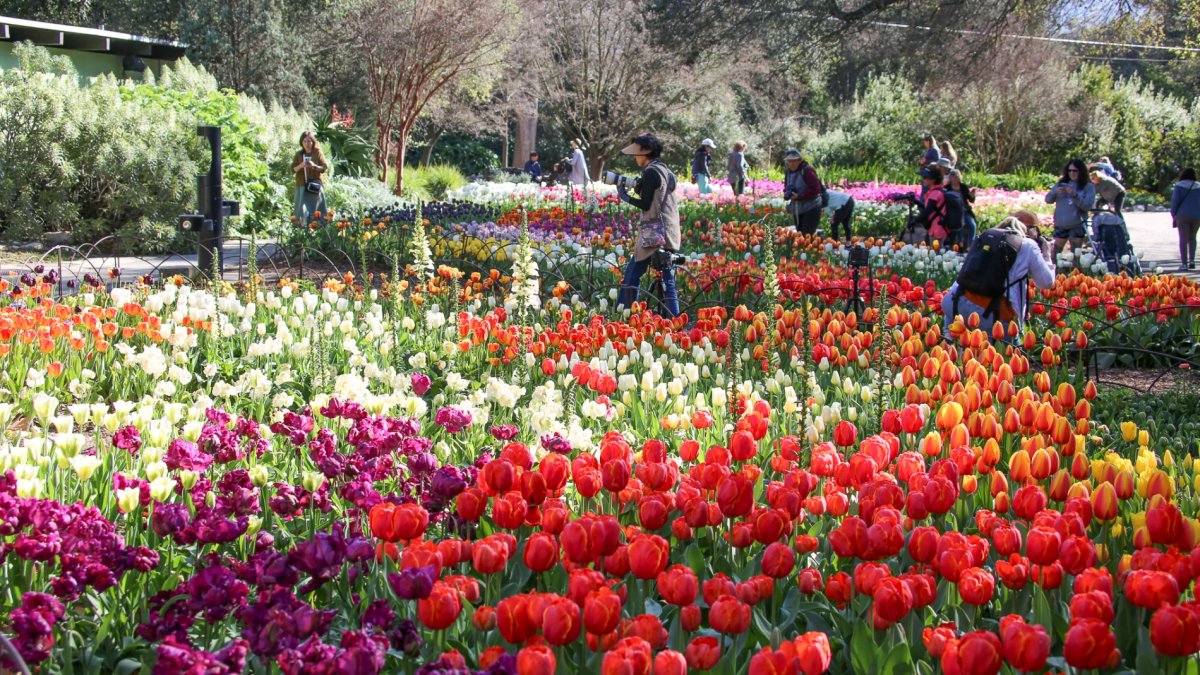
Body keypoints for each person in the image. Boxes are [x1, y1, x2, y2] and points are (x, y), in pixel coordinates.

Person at [941, 215, 1055, 336]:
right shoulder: (1028, 245)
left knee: (953, 349)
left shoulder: (986, 236)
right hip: (991, 313)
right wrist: (1047, 254)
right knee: (1010, 352)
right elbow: (1046, 282)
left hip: (954, 301)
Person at [615, 133, 681, 317]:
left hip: (654, 232)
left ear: (647, 153)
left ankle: (623, 315)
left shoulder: (651, 171)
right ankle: (674, 322)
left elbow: (645, 204)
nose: (635, 157)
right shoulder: (664, 170)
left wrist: (625, 196)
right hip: (669, 230)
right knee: (668, 280)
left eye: (637, 153)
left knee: (632, 275)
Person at [1045, 159, 1096, 256]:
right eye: (1069, 171)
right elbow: (1048, 200)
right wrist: (1055, 192)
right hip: (1061, 224)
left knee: (1076, 255)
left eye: (1075, 171)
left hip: (1077, 224)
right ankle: (1057, 271)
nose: (1072, 173)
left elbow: (1086, 206)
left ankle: (1076, 270)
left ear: (1080, 171)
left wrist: (1074, 195)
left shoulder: (1088, 187)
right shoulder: (1061, 183)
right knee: (1055, 254)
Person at [292, 131, 329, 226]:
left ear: (313, 142)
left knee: (317, 209)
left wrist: (314, 166)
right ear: (301, 143)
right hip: (302, 185)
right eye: (304, 141)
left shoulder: (317, 153)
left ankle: (320, 229)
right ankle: (300, 229)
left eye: (309, 141)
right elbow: (293, 169)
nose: (307, 144)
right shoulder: (299, 155)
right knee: (301, 209)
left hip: (315, 186)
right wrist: (301, 165)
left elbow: (324, 167)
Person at [782, 148, 823, 235]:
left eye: (794, 161)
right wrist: (787, 193)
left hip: (812, 206)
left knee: (807, 234)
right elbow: (786, 187)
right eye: (789, 161)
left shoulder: (807, 171)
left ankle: (811, 247)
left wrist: (800, 195)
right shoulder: (788, 172)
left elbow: (816, 189)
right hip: (798, 208)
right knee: (800, 234)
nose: (792, 163)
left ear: (799, 160)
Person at [1171, 167, 1200, 271]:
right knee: (1193, 238)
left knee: (1183, 238)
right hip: (1197, 215)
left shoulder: (1179, 186)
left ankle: (1184, 263)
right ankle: (1192, 260)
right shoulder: (1198, 186)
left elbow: (1175, 201)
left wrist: (1173, 213)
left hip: (1182, 215)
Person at [912, 167, 949, 246]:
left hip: (938, 229)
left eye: (925, 177)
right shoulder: (935, 191)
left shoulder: (935, 193)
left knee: (936, 254)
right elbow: (930, 207)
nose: (923, 179)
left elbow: (928, 211)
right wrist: (916, 201)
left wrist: (914, 221)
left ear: (933, 180)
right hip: (935, 227)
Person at [946, 170, 977, 250]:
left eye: (956, 177)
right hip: (953, 212)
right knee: (959, 224)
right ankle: (961, 242)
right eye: (953, 177)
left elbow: (971, 200)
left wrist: (973, 194)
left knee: (972, 224)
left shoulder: (963, 187)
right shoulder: (947, 188)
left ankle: (970, 245)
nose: (955, 179)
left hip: (965, 210)